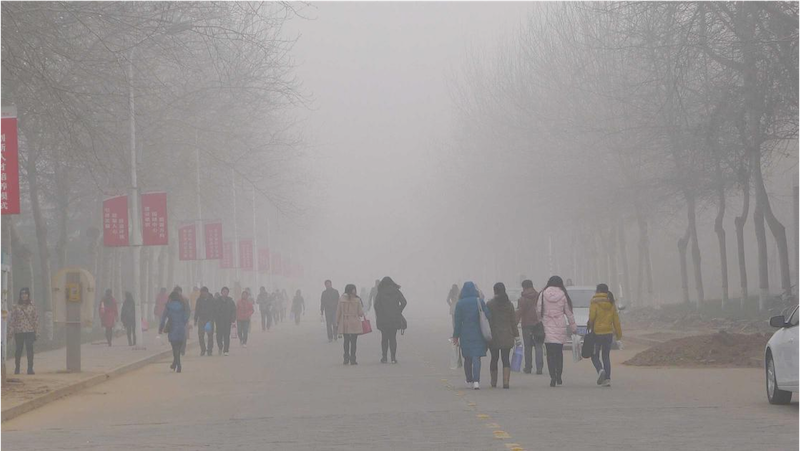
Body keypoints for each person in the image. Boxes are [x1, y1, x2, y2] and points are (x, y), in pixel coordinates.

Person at [539, 276, 577, 387]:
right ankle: (559, 375)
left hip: (547, 326)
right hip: (559, 326)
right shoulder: (563, 295)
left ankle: (553, 377)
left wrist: (541, 320)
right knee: (559, 353)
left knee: (550, 354)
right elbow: (569, 313)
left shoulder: (542, 294)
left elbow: (538, 310)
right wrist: (573, 327)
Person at [452, 282, 489, 390]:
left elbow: (457, 322)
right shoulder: (479, 301)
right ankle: (477, 381)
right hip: (478, 333)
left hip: (465, 333)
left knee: (467, 358)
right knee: (476, 357)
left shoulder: (460, 304)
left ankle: (469, 380)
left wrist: (455, 336)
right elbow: (488, 314)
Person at [588, 284, 622, 387]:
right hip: (608, 333)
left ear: (597, 291)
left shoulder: (594, 301)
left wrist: (590, 324)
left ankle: (600, 370)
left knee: (594, 355)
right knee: (606, 356)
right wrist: (619, 334)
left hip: (597, 333)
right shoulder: (611, 302)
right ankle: (607, 379)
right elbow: (616, 319)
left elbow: (592, 316)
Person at [487, 282, 519, 389]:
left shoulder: (490, 304)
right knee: (505, 359)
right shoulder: (509, 304)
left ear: (494, 291)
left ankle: (493, 382)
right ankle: (506, 382)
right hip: (507, 335)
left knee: (494, 358)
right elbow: (513, 322)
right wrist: (516, 335)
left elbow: (487, 320)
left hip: (494, 336)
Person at [374, 276, 407, 364]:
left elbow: (376, 305)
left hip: (383, 319)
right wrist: (398, 310)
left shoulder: (380, 292)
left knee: (384, 338)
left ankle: (384, 357)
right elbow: (404, 302)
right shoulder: (396, 291)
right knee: (393, 338)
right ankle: (393, 358)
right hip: (394, 318)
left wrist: (379, 314)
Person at [8, 288, 38, 375]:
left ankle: (30, 368)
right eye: (22, 294)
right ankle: (17, 368)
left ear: (28, 295)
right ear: (20, 296)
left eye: (25, 294)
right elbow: (12, 319)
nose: (24, 295)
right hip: (19, 331)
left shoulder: (32, 306)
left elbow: (35, 319)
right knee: (18, 350)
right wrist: (11, 331)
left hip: (30, 331)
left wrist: (36, 331)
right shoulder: (16, 306)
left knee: (30, 349)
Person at [517, 280, 544, 375]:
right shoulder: (539, 297)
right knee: (538, 346)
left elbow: (519, 312)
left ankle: (528, 367)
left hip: (527, 324)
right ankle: (539, 368)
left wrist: (515, 324)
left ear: (524, 287)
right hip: (538, 324)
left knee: (528, 347)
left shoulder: (522, 299)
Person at [159, 291, 190, 373]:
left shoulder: (168, 306)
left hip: (172, 329)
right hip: (181, 329)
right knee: (178, 348)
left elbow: (163, 319)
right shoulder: (183, 306)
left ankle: (178, 364)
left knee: (174, 348)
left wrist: (160, 328)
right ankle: (175, 363)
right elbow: (186, 317)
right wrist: (182, 323)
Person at [337, 284, 365, 365]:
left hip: (345, 322)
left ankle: (346, 358)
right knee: (353, 342)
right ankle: (353, 358)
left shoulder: (341, 299)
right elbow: (360, 313)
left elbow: (338, 311)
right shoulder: (357, 300)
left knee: (346, 341)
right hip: (354, 322)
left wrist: (337, 322)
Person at [195, 287, 216, 356]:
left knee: (210, 336)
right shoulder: (199, 300)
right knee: (201, 335)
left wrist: (213, 319)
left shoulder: (212, 300)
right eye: (202, 292)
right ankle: (203, 349)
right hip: (201, 320)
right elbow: (197, 310)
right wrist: (195, 319)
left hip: (209, 321)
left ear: (207, 292)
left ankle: (209, 350)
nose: (203, 294)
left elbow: (215, 310)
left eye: (204, 292)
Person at [215, 287, 236, 355]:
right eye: (224, 291)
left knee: (227, 335)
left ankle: (226, 350)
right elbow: (214, 310)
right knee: (219, 336)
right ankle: (220, 346)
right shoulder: (217, 301)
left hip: (227, 321)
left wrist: (233, 318)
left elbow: (233, 310)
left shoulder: (230, 301)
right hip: (219, 321)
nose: (225, 293)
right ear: (221, 292)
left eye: (226, 292)